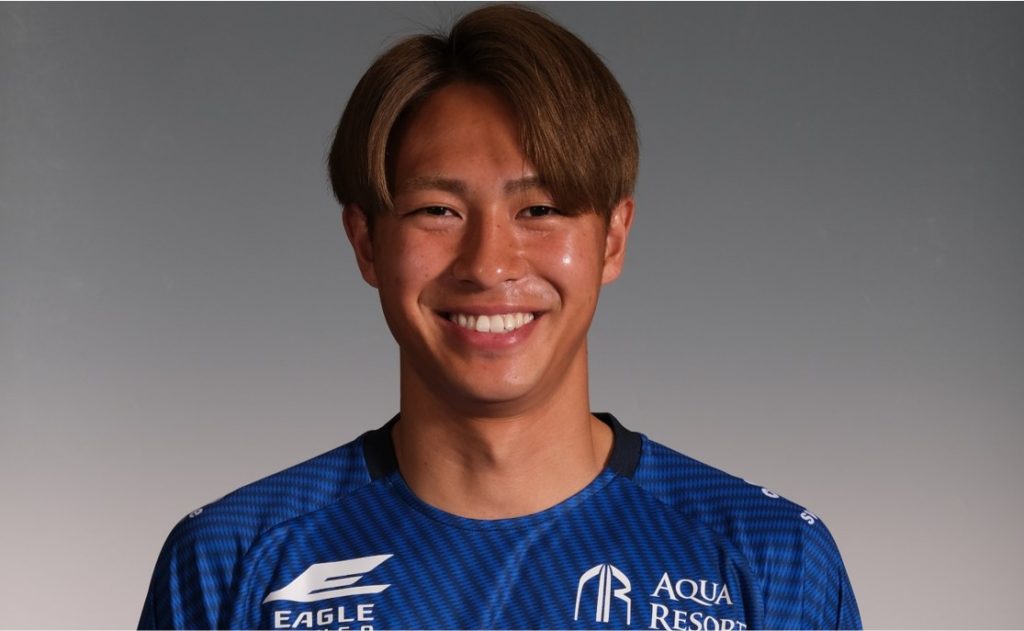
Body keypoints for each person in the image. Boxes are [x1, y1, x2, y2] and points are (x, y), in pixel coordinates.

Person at [139, 5, 860, 630]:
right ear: (366, 243)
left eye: (539, 209)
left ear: (612, 239)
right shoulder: (232, 561)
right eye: (437, 211)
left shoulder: (773, 561)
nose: (488, 264)